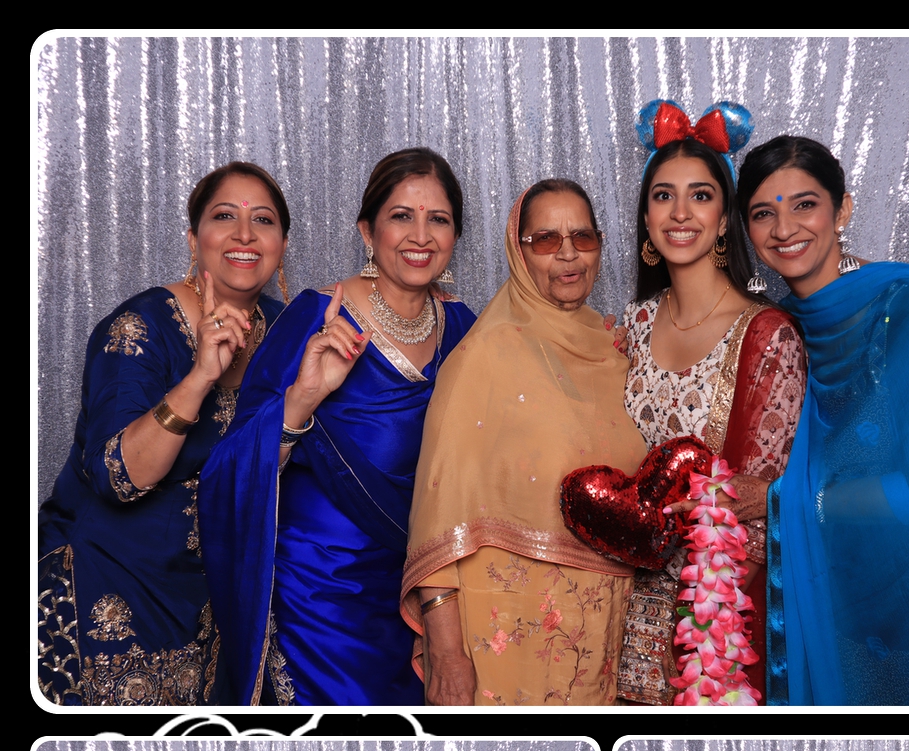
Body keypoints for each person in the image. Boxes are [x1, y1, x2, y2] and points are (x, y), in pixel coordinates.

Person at [201, 147, 477, 704]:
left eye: (438, 219)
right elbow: (230, 468)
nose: (420, 235)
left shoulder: (465, 329)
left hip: (425, 595)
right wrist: (304, 397)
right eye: (401, 216)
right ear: (367, 230)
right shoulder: (315, 317)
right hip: (317, 596)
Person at [38, 162, 289, 704]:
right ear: (194, 239)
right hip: (112, 585)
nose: (245, 234)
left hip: (217, 599)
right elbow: (117, 478)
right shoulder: (139, 328)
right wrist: (199, 378)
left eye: (263, 220)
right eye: (225, 216)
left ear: (282, 245)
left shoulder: (285, 332)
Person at [404, 180, 647, 705]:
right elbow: (437, 514)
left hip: (605, 633)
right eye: (546, 239)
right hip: (505, 638)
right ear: (519, 250)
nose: (568, 254)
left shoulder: (618, 349)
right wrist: (446, 652)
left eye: (582, 237)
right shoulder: (484, 356)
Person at [736, 135, 909, 706]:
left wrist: (778, 499)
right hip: (827, 602)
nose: (785, 228)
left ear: (843, 210)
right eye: (763, 213)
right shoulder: (776, 330)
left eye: (804, 204)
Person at [615, 100, 807, 704]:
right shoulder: (628, 328)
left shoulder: (767, 336)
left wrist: (698, 633)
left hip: (710, 628)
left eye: (700, 196)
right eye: (663, 196)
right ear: (646, 219)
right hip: (612, 608)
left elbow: (765, 508)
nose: (680, 213)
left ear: (724, 220)